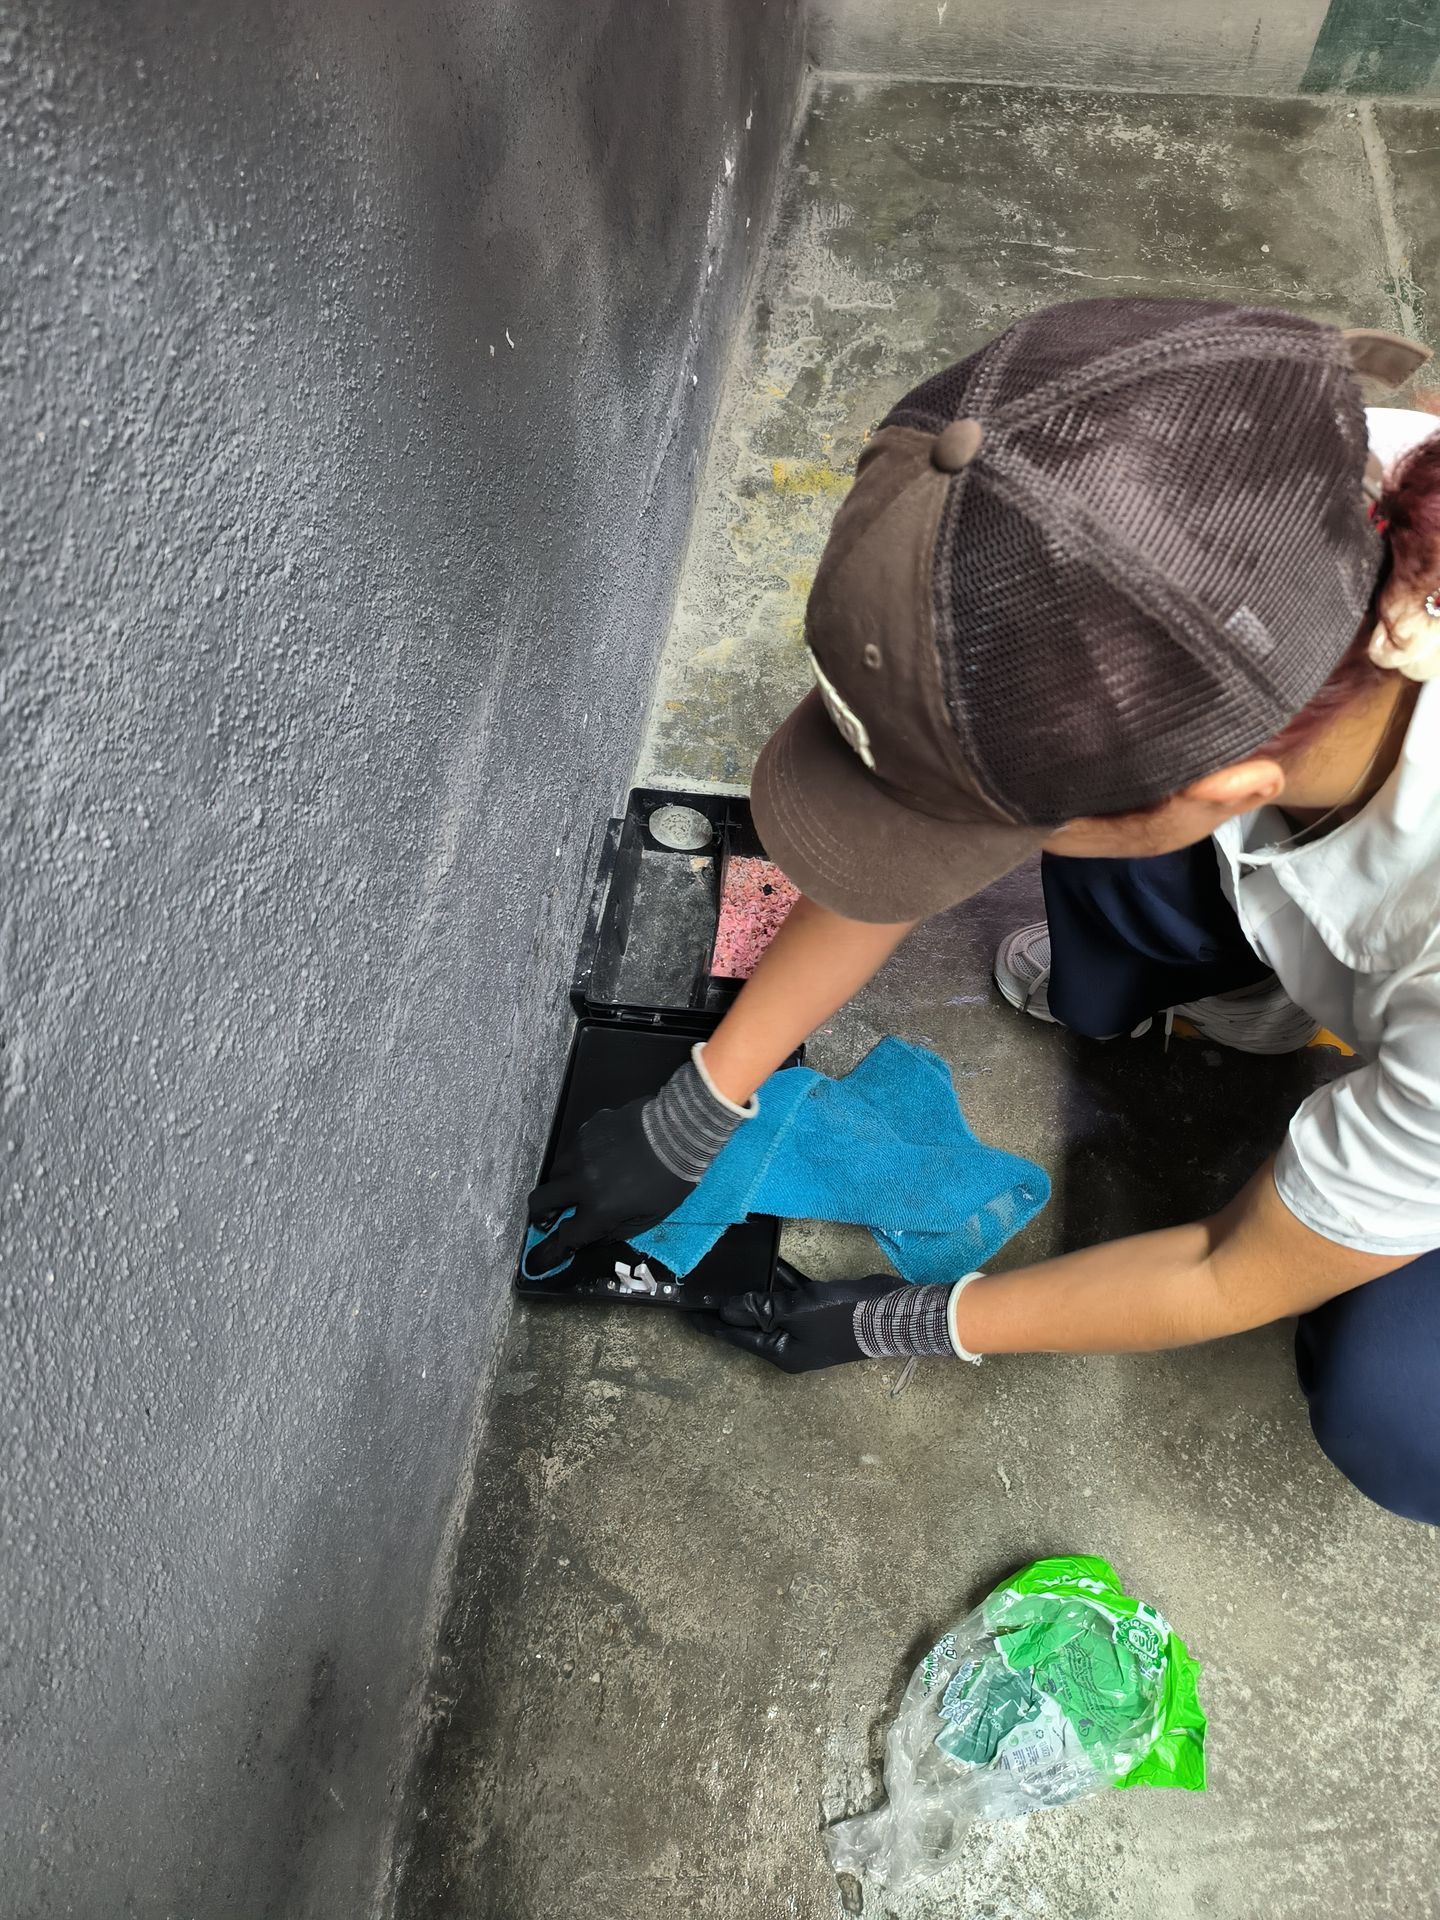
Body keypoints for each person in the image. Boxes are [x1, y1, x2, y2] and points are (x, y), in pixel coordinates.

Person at [528, 299, 1440, 1526]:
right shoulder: (1301, 475)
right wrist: (703, 1097)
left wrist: (906, 1319)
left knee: (1395, 1402)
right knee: (1108, 886)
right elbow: (915, 817)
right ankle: (1247, 995)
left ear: (1226, 788)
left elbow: (1228, 1267)